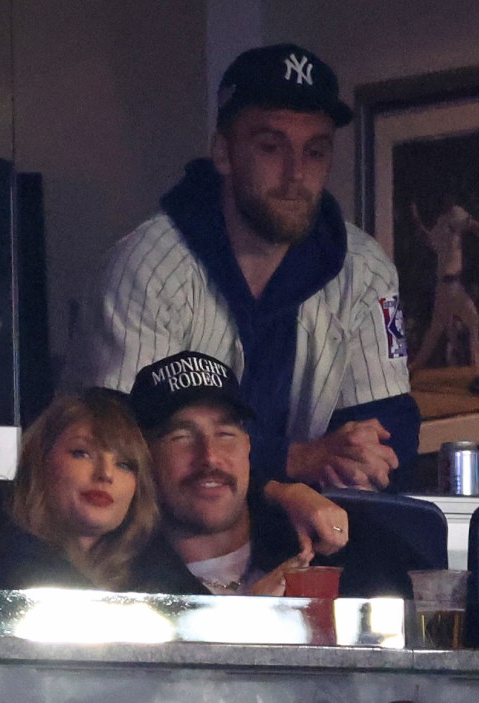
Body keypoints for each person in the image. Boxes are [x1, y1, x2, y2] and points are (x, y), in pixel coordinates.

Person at [66, 44, 419, 492]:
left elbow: (389, 425)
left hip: (307, 533)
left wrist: (357, 457)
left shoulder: (364, 268)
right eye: (272, 147)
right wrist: (293, 459)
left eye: (315, 152)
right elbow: (125, 441)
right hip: (146, 548)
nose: (295, 174)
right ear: (223, 153)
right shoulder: (147, 266)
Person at [127, 351, 349, 596]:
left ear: (247, 445)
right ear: (143, 454)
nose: (209, 456)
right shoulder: (119, 582)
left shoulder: (327, 552)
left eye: (225, 434)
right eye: (181, 437)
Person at [0, 388, 161, 591]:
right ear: (40, 460)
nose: (105, 474)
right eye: (82, 453)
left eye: (124, 465)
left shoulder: (159, 578)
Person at [407, 198, 479, 396]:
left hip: (449, 287)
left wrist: (417, 220)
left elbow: (432, 239)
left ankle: (409, 372)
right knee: (466, 323)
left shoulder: (443, 221)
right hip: (449, 287)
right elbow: (472, 226)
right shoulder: (451, 215)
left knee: (435, 333)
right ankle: (476, 377)